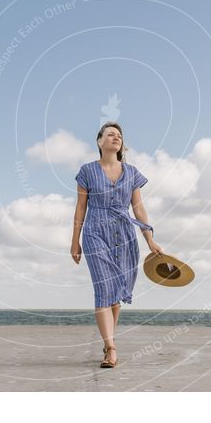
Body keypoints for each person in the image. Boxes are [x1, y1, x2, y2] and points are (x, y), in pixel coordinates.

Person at [70, 122, 164, 368]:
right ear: (99, 141)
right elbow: (80, 208)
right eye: (110, 134)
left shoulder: (131, 172)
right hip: (95, 231)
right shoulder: (88, 171)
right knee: (103, 288)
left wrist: (150, 239)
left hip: (124, 234)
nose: (116, 138)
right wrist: (75, 242)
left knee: (116, 295)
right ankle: (111, 349)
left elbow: (138, 208)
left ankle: (107, 341)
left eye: (119, 136)